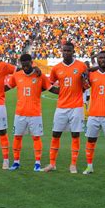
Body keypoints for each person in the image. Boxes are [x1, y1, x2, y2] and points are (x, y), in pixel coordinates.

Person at [5, 54, 57, 171]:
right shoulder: (16, 75)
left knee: (36, 138)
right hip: (20, 113)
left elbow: (51, 88)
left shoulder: (40, 75)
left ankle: (37, 163)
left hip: (35, 113)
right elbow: (8, 87)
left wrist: (65, 91)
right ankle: (16, 162)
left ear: (31, 62)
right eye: (23, 65)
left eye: (27, 64)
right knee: (17, 137)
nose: (25, 67)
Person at [43, 42, 88, 173]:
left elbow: (87, 87)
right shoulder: (56, 68)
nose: (67, 52)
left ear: (73, 51)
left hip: (76, 107)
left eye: (69, 50)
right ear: (61, 51)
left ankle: (73, 164)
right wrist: (58, 91)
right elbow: (49, 84)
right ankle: (52, 163)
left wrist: (84, 82)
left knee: (75, 135)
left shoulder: (81, 66)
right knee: (56, 134)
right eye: (65, 50)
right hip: (61, 107)